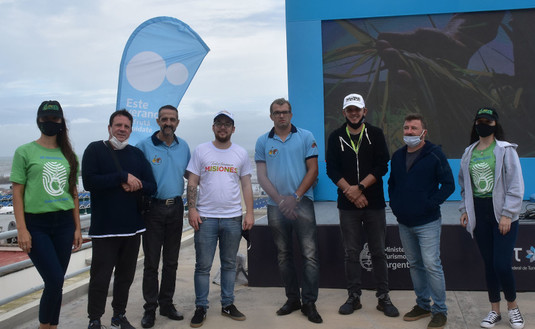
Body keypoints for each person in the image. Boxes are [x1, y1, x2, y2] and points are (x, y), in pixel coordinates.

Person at [10, 100, 82, 329]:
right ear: (38, 120)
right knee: (54, 279)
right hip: (36, 225)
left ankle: (53, 325)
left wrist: (77, 227)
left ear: (61, 122)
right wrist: (22, 229)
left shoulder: (70, 155)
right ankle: (44, 326)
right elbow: (17, 193)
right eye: (45, 119)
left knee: (57, 282)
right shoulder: (24, 152)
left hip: (63, 224)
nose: (50, 123)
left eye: (54, 119)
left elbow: (73, 194)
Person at [82, 109, 156, 329]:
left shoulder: (136, 154)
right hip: (104, 229)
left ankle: (118, 316)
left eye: (126, 126)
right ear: (109, 128)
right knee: (100, 278)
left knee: (125, 277)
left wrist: (136, 184)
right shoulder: (95, 149)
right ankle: (95, 319)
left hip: (132, 229)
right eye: (118, 125)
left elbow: (152, 186)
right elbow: (89, 181)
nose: (122, 130)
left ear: (131, 130)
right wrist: (121, 177)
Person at [326, 93, 398, 317]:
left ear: (365, 111)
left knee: (378, 252)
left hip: (373, 202)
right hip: (347, 204)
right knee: (351, 252)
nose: (354, 113)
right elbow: (332, 169)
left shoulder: (375, 134)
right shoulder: (335, 136)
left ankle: (383, 297)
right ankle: (354, 296)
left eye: (358, 109)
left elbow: (382, 165)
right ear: (344, 112)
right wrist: (351, 192)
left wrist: (361, 189)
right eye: (350, 110)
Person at [255, 98, 322, 324]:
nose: (281, 116)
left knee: (309, 254)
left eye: (285, 112)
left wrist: (294, 198)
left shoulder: (306, 136)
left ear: (291, 115)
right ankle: (292, 299)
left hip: (302, 203)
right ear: (271, 116)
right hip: (276, 206)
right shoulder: (263, 141)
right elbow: (262, 176)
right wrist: (281, 201)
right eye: (277, 112)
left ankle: (309, 302)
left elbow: (313, 171)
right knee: (284, 255)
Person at [186, 110, 254, 328]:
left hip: (232, 217)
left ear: (233, 129)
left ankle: (227, 304)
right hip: (205, 217)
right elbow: (193, 181)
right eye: (219, 124)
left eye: (227, 124)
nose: (223, 127)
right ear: (213, 127)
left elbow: (245, 184)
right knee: (203, 266)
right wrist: (192, 209)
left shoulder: (241, 154)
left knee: (229, 264)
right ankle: (201, 307)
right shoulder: (201, 151)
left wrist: (249, 212)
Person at [458, 108, 525, 329]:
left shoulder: (506, 150)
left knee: (502, 264)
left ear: (495, 124)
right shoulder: (469, 152)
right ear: (474, 123)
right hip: (480, 212)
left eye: (488, 121)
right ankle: (494, 310)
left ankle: (513, 308)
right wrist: (465, 209)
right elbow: (464, 185)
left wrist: (507, 214)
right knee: (489, 264)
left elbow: (516, 185)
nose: (483, 124)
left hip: (502, 213)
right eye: (479, 120)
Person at [388, 113, 454, 329]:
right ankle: (423, 305)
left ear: (424, 132)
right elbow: (392, 184)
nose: (409, 132)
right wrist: (396, 205)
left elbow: (448, 185)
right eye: (406, 128)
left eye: (414, 128)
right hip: (404, 222)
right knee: (415, 265)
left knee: (432, 265)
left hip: (427, 222)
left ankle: (440, 311)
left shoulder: (435, 155)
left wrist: (429, 204)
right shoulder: (397, 156)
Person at [136, 105, 190, 328]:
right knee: (151, 263)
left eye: (173, 119)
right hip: (153, 210)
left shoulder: (183, 146)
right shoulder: (144, 147)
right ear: (158, 121)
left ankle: (166, 304)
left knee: (171, 262)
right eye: (165, 119)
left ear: (178, 122)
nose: (169, 123)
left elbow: (191, 174)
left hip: (176, 208)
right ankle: (150, 309)